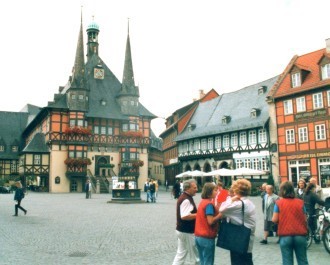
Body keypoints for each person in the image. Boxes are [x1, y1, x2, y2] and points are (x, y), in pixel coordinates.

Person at [219, 179, 256, 265]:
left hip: (238, 238)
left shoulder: (239, 204)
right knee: (247, 260)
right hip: (247, 236)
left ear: (236, 191)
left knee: (238, 261)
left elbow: (221, 209)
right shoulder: (249, 202)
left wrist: (232, 199)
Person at [272, 181, 309, 265]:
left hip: (285, 235)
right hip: (300, 234)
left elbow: (274, 219)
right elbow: (305, 219)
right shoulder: (300, 202)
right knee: (303, 261)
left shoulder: (278, 203)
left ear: (282, 191)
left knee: (287, 261)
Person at [172, 179, 199, 265]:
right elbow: (184, 216)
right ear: (188, 188)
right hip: (187, 231)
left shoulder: (184, 197)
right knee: (196, 256)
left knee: (181, 254)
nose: (197, 189)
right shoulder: (186, 199)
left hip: (181, 230)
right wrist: (199, 215)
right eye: (194, 187)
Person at [195, 182, 222, 265]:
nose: (217, 192)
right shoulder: (209, 204)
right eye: (215, 190)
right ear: (209, 192)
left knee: (202, 261)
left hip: (198, 235)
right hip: (206, 236)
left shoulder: (203, 201)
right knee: (208, 262)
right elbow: (210, 221)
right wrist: (220, 215)